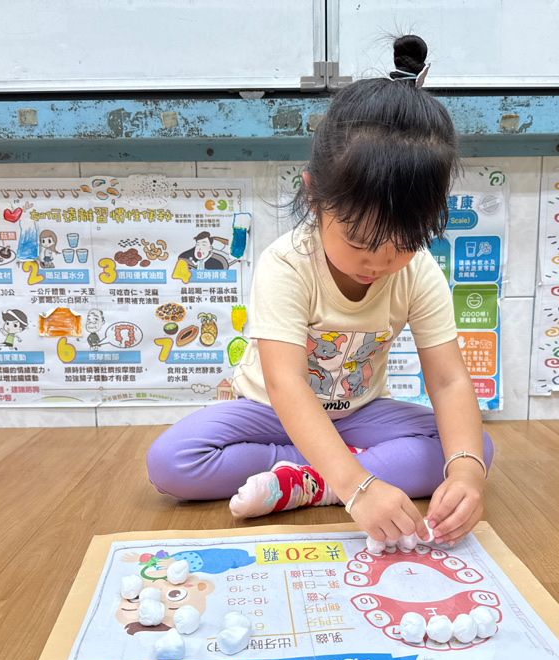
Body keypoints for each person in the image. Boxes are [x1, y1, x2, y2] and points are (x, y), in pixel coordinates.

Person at [147, 35, 492, 548]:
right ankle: (340, 477)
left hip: (358, 416)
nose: (379, 263)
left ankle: (307, 482)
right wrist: (359, 486)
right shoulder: (288, 263)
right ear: (314, 198)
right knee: (171, 462)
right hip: (268, 411)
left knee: (475, 449)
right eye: (359, 242)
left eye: (404, 244)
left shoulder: (419, 273)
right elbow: (285, 384)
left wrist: (465, 476)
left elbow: (448, 382)